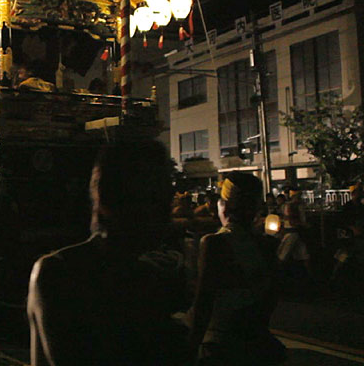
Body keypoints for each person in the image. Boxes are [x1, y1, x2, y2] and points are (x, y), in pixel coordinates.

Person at [28, 140, 187, 366]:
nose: (167, 214)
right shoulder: (61, 273)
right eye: (154, 198)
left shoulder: (147, 275)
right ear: (112, 198)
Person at [189, 172, 286, 366]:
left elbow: (203, 302)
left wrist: (190, 347)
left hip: (221, 343)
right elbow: (273, 292)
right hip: (258, 341)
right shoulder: (266, 244)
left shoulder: (214, 243)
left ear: (224, 204)